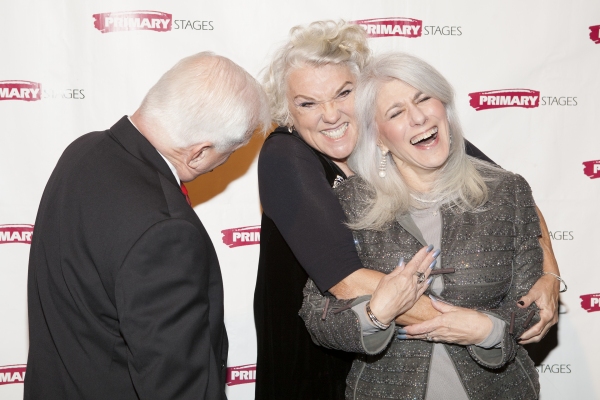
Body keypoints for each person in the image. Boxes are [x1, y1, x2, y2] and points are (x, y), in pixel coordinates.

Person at [254, 20, 562, 400]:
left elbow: (513, 196)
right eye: (307, 103)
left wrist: (549, 274)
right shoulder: (286, 154)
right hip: (316, 362)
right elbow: (345, 280)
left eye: (344, 93)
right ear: (289, 114)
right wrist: (479, 329)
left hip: (401, 359)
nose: (330, 114)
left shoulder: (405, 130)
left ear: (366, 93)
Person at [24, 52, 270, 400]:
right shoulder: (166, 232)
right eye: (228, 154)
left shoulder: (83, 151)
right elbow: (179, 386)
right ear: (199, 153)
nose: (224, 163)